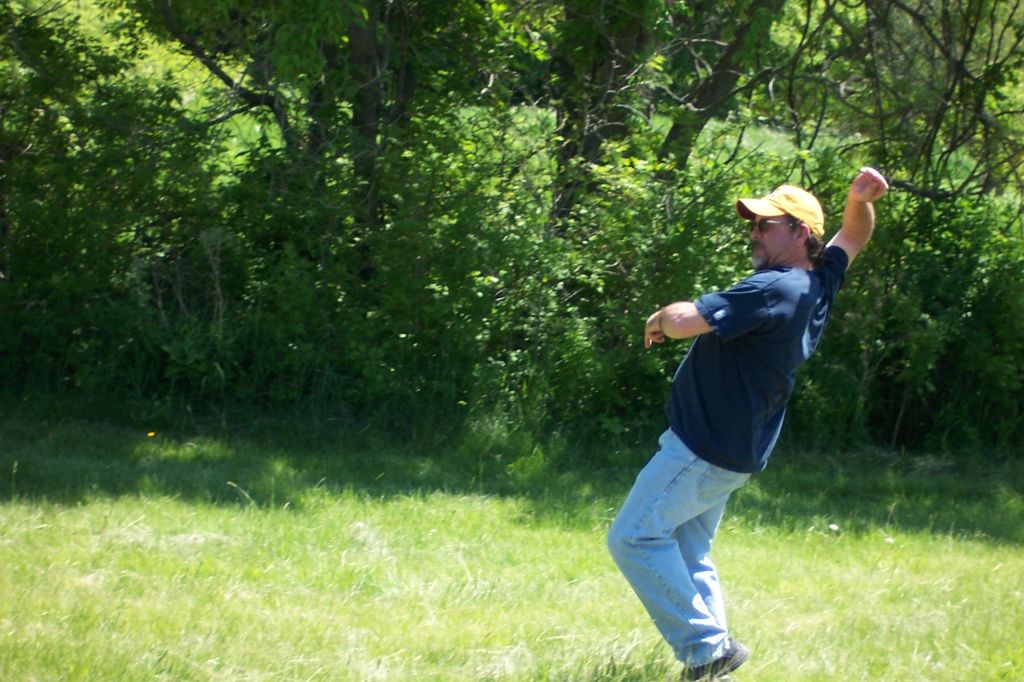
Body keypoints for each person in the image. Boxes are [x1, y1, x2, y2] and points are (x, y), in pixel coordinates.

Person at [606, 168, 889, 680]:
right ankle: (713, 662)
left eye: (766, 224)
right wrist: (859, 198)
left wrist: (659, 316)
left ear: (800, 233)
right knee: (688, 550)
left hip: (700, 450)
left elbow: (683, 322)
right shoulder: (817, 282)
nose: (754, 233)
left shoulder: (773, 287)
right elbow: (854, 236)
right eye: (753, 224)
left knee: (632, 538)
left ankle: (707, 649)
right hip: (734, 451)